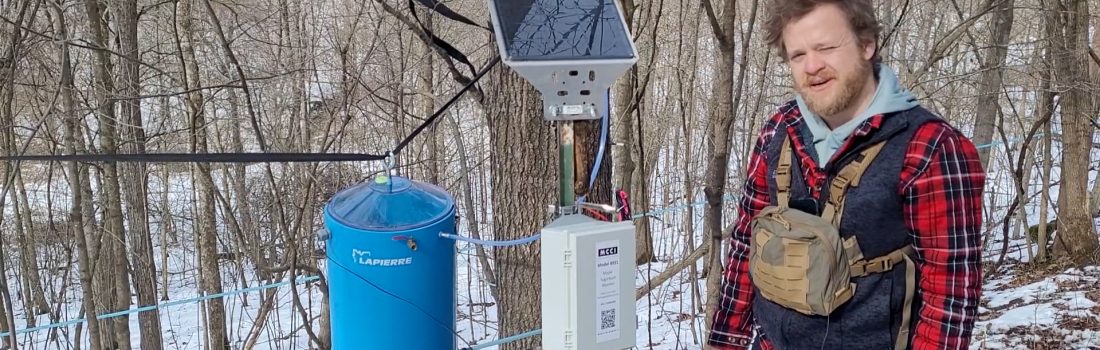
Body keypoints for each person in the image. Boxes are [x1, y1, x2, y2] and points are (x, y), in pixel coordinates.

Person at [707, 1, 985, 349]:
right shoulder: (779, 130)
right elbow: (747, 243)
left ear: (866, 44)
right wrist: (725, 342)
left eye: (826, 48)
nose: (812, 66)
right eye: (797, 55)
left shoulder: (930, 147)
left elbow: (951, 296)